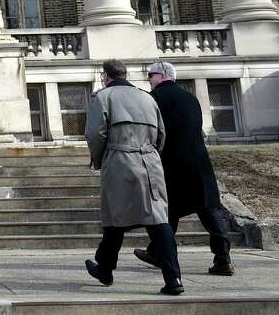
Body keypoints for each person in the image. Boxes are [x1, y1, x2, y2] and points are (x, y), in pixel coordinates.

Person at [84, 59, 184, 296]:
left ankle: (105, 269)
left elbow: (95, 134)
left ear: (105, 76)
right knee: (158, 220)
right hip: (150, 161)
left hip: (119, 159)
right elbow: (161, 133)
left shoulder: (103, 97)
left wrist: (99, 160)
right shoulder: (147, 97)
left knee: (115, 218)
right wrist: (151, 154)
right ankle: (173, 278)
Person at [135, 61, 234, 276]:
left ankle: (159, 252)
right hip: (198, 160)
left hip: (170, 162)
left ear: (162, 75)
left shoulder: (154, 99)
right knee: (209, 209)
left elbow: (151, 131)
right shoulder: (191, 98)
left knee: (167, 211)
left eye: (151, 75)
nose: (149, 79)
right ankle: (223, 259)